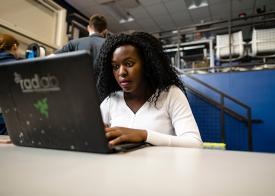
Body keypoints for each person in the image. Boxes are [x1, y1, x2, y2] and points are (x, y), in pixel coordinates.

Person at [96, 32, 202, 148]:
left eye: (129, 63)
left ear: (147, 65)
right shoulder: (111, 100)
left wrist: (145, 135)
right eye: (116, 66)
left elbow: (195, 144)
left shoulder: (171, 94)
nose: (121, 72)